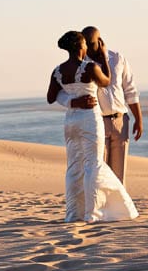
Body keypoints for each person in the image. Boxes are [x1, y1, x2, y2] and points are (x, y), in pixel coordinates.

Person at [47, 30, 139, 223]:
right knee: (93, 164)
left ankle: (74, 213)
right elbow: (106, 81)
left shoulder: (58, 70)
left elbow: (51, 97)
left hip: (71, 122)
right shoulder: (89, 67)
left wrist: (73, 102)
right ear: (81, 46)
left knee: (74, 166)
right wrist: (104, 57)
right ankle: (93, 213)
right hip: (90, 120)